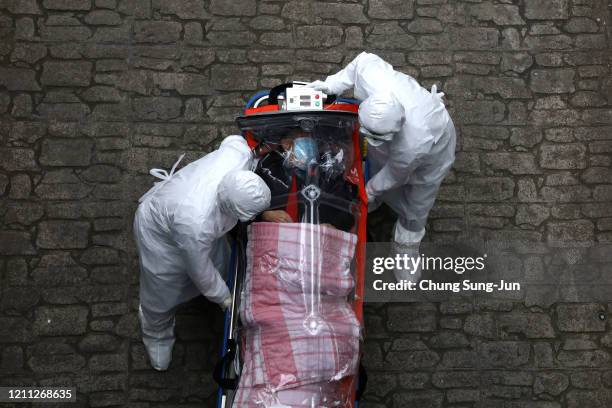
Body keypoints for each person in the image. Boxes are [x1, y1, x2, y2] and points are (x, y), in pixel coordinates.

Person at [308, 51, 456, 283]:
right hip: (397, 146)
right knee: (376, 164)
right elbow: (359, 63)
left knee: (418, 202)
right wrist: (331, 85)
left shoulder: (415, 143)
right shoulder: (372, 76)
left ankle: (406, 246)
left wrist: (369, 191)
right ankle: (374, 204)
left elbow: (394, 174)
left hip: (433, 152)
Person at [133, 135, 271, 371]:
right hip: (160, 237)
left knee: (222, 262)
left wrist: (258, 153)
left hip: (193, 222)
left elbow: (234, 140)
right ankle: (156, 333)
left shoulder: (237, 157)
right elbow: (199, 270)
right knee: (161, 291)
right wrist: (224, 298)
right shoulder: (195, 223)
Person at [254, 130, 358, 232]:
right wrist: (266, 214)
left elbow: (348, 212)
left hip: (319, 243)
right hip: (277, 242)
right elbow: (246, 208)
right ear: (286, 144)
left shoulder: (329, 170)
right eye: (306, 137)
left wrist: (334, 226)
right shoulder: (268, 168)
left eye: (313, 137)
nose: (312, 142)